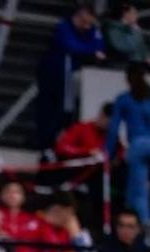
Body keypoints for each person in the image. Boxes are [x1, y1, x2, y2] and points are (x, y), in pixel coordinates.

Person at [106, 62, 150, 245]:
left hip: (139, 147)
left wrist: (108, 155)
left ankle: (145, 232)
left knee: (136, 194)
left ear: (127, 78)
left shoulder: (125, 99)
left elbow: (113, 129)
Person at [36, 3, 106, 152]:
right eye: (88, 18)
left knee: (69, 114)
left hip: (76, 80)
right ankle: (45, 144)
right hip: (54, 77)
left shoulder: (92, 30)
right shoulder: (64, 27)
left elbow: (100, 46)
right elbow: (71, 46)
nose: (90, 23)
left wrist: (89, 48)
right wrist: (90, 51)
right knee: (50, 112)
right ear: (82, 14)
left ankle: (63, 143)